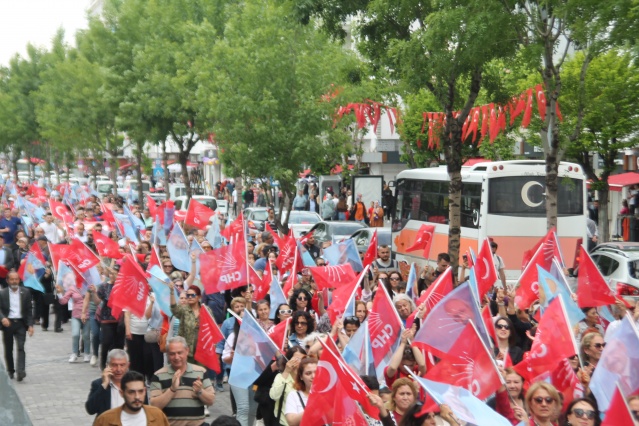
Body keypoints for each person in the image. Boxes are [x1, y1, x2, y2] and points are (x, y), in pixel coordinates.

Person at [150, 336, 215, 426]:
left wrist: (200, 391)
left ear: (187, 351)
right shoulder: (158, 375)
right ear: (168, 355)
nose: (176, 357)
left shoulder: (201, 372)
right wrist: (172, 389)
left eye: (180, 353)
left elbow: (211, 401)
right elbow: (154, 406)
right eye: (172, 354)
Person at [93, 370, 170, 426]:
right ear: (122, 393)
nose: (137, 397)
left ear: (145, 391)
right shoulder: (105, 420)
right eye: (131, 392)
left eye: (140, 391)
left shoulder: (158, 416)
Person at [0, 271, 34, 381]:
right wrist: (3, 318)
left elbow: (29, 310)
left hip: (20, 323)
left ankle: (21, 371)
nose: (14, 281)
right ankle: (10, 370)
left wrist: (30, 325)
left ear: (19, 280)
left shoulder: (26, 292)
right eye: (12, 279)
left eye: (16, 279)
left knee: (20, 347)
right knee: (8, 349)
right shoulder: (3, 293)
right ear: (7, 280)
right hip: (8, 324)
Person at [85, 349, 132, 419]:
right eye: (114, 365)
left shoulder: (135, 383)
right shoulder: (98, 384)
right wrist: (104, 385)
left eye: (122, 365)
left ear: (128, 365)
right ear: (107, 366)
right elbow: (91, 410)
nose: (119, 369)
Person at [56, 281, 91, 363]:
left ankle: (87, 353)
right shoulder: (72, 288)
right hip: (76, 315)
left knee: (86, 336)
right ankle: (74, 353)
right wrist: (59, 293)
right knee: (75, 334)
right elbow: (64, 301)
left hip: (87, 315)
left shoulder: (88, 286)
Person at [169, 283, 202, 365]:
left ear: (199, 297)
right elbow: (174, 309)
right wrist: (172, 292)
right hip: (187, 351)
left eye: (193, 295)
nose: (190, 297)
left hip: (202, 351)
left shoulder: (206, 310)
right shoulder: (184, 310)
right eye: (188, 295)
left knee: (201, 374)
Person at [284, 357, 318, 426]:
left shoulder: (328, 395)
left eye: (316, 372)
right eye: (308, 373)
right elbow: (291, 422)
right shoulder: (294, 395)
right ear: (301, 377)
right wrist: (313, 406)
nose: (313, 376)